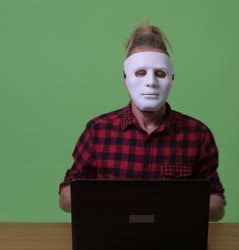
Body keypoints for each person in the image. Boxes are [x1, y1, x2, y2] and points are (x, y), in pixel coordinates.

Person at [58, 19, 226, 222]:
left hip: (173, 242)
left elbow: (217, 204)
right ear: (125, 78)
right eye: (140, 73)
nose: (151, 82)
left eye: (160, 74)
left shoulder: (197, 134)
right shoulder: (98, 131)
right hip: (111, 240)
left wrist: (173, 205)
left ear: (171, 79)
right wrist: (113, 202)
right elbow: (65, 197)